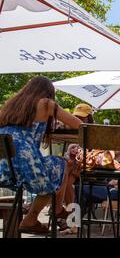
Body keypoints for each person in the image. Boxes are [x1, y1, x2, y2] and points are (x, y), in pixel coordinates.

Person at [0, 76, 82, 234]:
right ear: (48, 93)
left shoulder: (12, 105)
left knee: (57, 166)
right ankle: (46, 212)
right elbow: (79, 124)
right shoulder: (46, 103)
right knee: (62, 164)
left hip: (6, 168)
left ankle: (52, 210)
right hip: (27, 166)